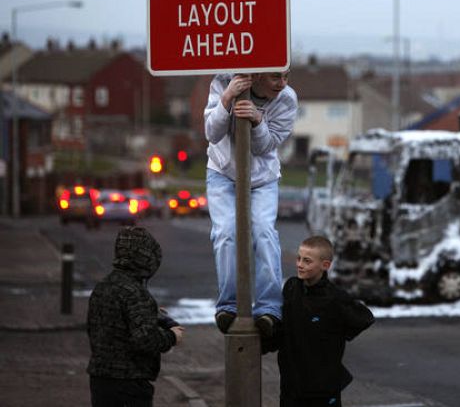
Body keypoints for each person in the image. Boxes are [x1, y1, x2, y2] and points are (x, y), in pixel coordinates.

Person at [204, 71, 297, 338]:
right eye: (276, 77)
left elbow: (265, 146)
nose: (282, 83)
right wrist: (227, 99)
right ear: (257, 75)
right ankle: (228, 306)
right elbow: (211, 132)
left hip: (262, 178)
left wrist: (258, 121)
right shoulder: (223, 81)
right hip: (222, 172)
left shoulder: (287, 100)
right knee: (225, 233)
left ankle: (269, 309)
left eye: (286, 77)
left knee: (264, 233)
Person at [271, 236, 375, 407]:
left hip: (323, 391)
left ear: (325, 265)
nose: (299, 264)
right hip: (291, 387)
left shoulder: (334, 298)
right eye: (299, 258)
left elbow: (364, 318)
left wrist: (332, 337)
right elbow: (283, 327)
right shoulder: (291, 288)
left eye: (307, 261)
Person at [86, 226, 184, 407]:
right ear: (147, 258)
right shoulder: (135, 292)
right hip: (129, 383)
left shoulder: (103, 286)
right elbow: (145, 340)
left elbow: (98, 326)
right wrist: (172, 336)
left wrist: (148, 313)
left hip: (100, 379)